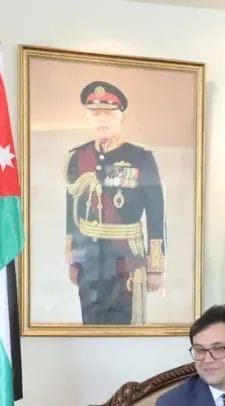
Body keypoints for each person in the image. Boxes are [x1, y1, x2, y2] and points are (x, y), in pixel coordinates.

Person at [65, 80, 165, 325]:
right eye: (95, 114)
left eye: (108, 114)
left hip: (125, 257)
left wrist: (155, 266)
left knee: (125, 324)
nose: (102, 120)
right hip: (89, 258)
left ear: (122, 118)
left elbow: (155, 212)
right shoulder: (78, 157)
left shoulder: (141, 157)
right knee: (90, 324)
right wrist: (73, 258)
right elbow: (72, 210)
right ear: (87, 118)